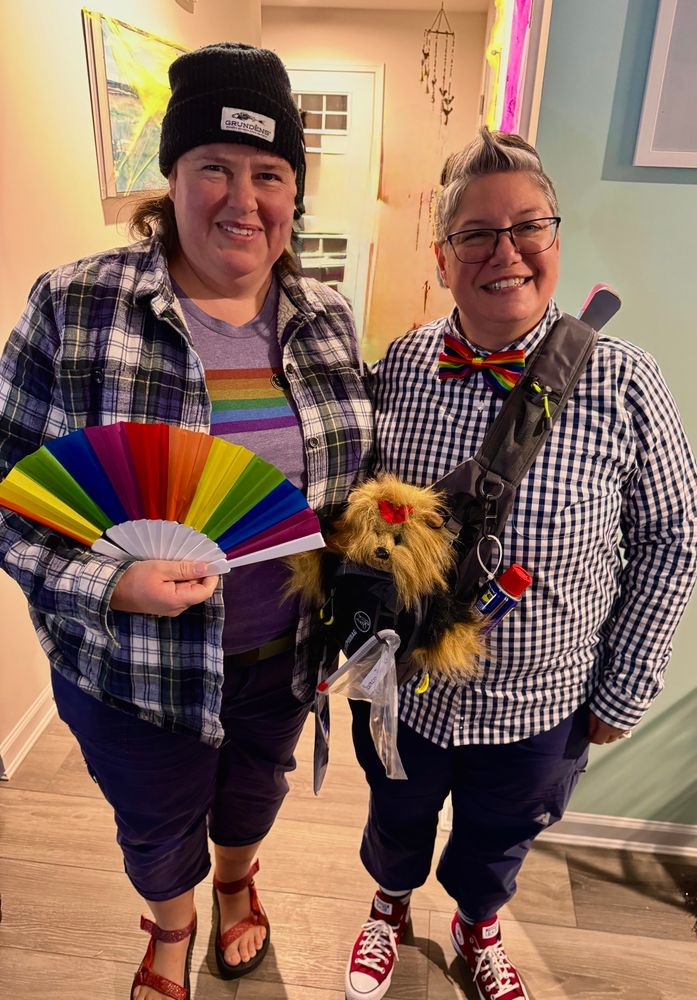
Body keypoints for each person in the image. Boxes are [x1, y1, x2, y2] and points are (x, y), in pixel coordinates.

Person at [0, 43, 372, 1000]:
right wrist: (107, 581)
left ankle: (240, 883)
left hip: (281, 658)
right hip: (130, 665)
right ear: (170, 178)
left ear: (293, 192)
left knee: (255, 794)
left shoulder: (329, 319)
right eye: (214, 166)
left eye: (269, 173)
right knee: (154, 821)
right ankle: (172, 925)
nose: (241, 198)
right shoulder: (75, 305)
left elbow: (341, 498)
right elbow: (6, 496)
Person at [343, 128, 697, 1000]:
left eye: (527, 227)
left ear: (555, 239)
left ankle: (477, 924)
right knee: (396, 817)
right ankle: (388, 907)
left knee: (500, 836)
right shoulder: (397, 368)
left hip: (543, 702)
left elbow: (673, 538)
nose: (505, 252)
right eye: (476, 233)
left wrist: (622, 689)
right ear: (441, 256)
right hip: (404, 690)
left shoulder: (623, 381)